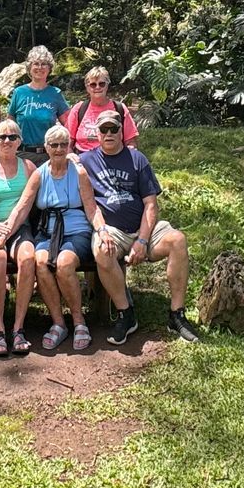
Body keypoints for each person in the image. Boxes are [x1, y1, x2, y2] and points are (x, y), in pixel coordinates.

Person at [79, 108, 200, 345]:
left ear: (122, 131)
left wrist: (142, 241)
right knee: (102, 251)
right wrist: (102, 231)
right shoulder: (86, 161)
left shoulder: (137, 159)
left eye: (114, 128)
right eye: (104, 129)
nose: (109, 133)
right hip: (111, 229)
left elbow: (151, 204)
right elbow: (90, 205)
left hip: (144, 229)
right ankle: (126, 313)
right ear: (97, 133)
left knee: (178, 240)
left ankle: (176, 314)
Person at [0, 120, 101, 351]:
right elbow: (22, 207)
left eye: (63, 144)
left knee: (64, 263)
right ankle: (58, 322)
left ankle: (79, 321)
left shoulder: (79, 172)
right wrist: (5, 231)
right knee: (40, 261)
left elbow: (91, 207)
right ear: (46, 147)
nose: (58, 149)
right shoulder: (39, 174)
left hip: (76, 230)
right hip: (48, 231)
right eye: (54, 144)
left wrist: (102, 230)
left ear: (69, 146)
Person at [0, 119, 39, 356]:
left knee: (27, 258)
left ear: (20, 142)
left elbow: (27, 205)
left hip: (19, 228)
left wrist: (9, 230)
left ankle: (18, 328)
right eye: (2, 137)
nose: (7, 141)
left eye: (12, 137)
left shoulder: (28, 168)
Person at [8, 44, 66, 161]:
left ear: (49, 68)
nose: (40, 67)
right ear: (29, 68)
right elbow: (10, 125)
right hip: (22, 155)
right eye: (36, 63)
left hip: (48, 156)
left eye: (44, 64)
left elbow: (69, 123)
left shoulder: (55, 93)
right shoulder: (19, 93)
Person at [62, 65, 138, 153]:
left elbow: (130, 141)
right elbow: (67, 142)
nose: (97, 87)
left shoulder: (119, 109)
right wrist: (72, 158)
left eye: (101, 84)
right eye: (93, 85)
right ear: (87, 88)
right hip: (83, 160)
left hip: (112, 159)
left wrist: (130, 155)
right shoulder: (79, 109)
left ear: (107, 85)